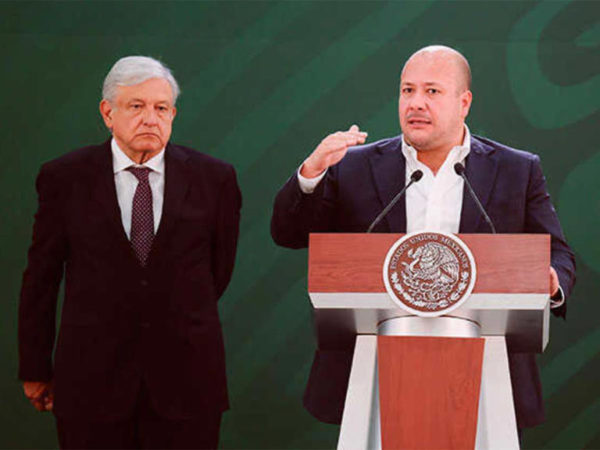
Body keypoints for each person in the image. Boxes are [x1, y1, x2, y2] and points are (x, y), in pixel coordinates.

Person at [271, 46, 576, 430]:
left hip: (485, 366)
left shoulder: (517, 169)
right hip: (373, 363)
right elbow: (288, 233)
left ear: (464, 103)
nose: (416, 102)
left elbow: (558, 254)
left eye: (432, 91)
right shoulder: (353, 166)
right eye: (407, 90)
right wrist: (311, 172)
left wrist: (551, 282)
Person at [18, 56, 241, 449]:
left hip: (187, 384)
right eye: (136, 106)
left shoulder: (215, 179)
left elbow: (216, 274)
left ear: (173, 114)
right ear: (108, 113)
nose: (150, 119)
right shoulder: (65, 178)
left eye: (161, 108)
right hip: (90, 384)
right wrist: (35, 367)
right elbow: (41, 280)